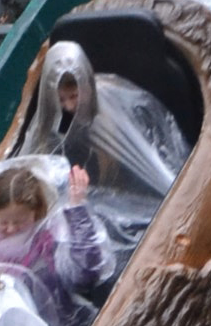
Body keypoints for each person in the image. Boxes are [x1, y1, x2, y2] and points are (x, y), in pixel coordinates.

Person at [34, 41, 191, 261]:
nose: (69, 107)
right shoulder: (62, 123)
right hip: (95, 206)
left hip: (138, 196)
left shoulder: (117, 106)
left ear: (86, 87)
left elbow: (153, 169)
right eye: (61, 100)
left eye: (74, 96)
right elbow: (53, 157)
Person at [0, 157, 119, 326]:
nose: (11, 229)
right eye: (4, 222)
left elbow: (87, 271)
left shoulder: (50, 237)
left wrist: (77, 208)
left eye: (20, 221)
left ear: (37, 211)